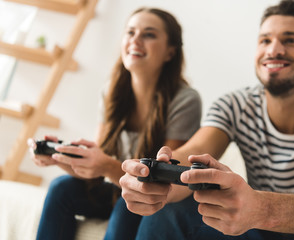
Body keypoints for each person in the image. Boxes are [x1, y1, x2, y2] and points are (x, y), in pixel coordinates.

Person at [120, 1, 294, 239]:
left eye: (290, 40)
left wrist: (262, 209)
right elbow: (194, 150)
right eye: (265, 40)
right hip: (255, 231)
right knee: (169, 211)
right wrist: (159, 181)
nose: (273, 50)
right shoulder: (234, 104)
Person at [28, 7, 202, 240]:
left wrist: (107, 166)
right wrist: (61, 157)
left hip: (153, 198)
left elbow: (166, 180)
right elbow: (98, 168)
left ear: (170, 52)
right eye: (130, 32)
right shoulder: (111, 92)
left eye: (149, 34)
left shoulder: (185, 100)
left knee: (127, 203)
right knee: (62, 187)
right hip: (115, 188)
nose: (136, 40)